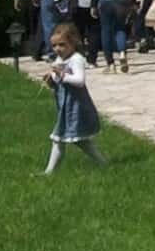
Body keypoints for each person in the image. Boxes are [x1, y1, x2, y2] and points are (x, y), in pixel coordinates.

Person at [40, 22, 107, 173]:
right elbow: (58, 82)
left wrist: (61, 75)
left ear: (73, 43)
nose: (58, 49)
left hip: (76, 106)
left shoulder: (76, 59)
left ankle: (49, 172)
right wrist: (51, 80)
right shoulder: (59, 60)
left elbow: (79, 81)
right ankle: (103, 163)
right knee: (80, 140)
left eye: (62, 45)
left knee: (59, 138)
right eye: (54, 45)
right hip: (66, 106)